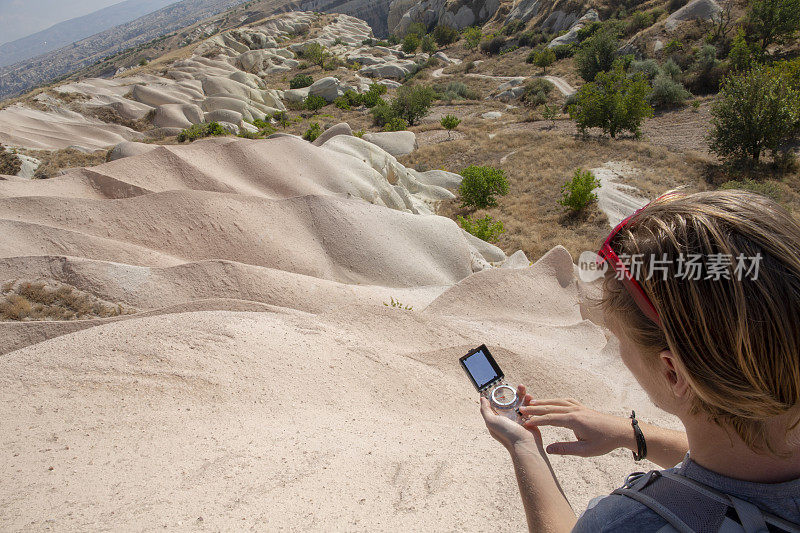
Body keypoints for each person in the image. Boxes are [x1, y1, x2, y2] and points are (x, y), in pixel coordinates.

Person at [479, 190, 800, 532]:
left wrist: (524, 448)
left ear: (673, 372)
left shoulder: (626, 523)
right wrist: (631, 433)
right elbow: (747, 467)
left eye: (618, 339)